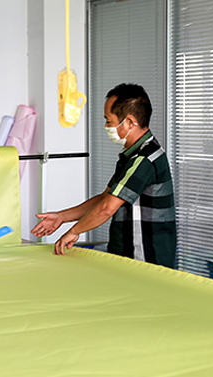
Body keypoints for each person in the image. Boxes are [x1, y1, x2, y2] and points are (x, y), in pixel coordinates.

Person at [32, 83, 176, 268]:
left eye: (109, 121)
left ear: (130, 122)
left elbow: (107, 208)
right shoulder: (132, 155)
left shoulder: (144, 159)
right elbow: (105, 198)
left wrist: (74, 231)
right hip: (126, 252)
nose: (106, 126)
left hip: (145, 257)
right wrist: (61, 217)